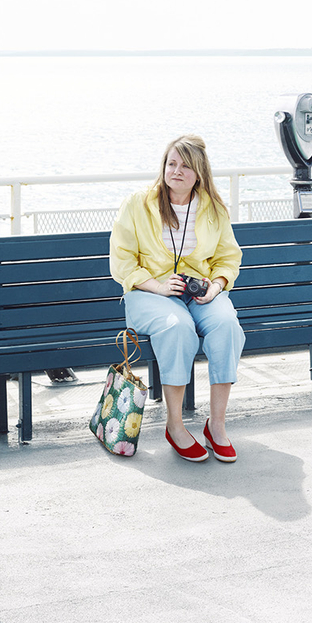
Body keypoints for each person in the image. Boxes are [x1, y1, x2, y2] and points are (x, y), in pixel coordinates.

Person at [109, 135, 245, 463]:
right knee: (178, 327)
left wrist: (216, 285)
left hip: (199, 292)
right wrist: (156, 285)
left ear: (199, 172)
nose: (177, 171)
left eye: (185, 165)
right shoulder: (137, 205)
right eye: (171, 163)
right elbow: (122, 260)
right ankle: (175, 426)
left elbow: (229, 256)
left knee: (227, 325)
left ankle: (217, 426)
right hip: (147, 294)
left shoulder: (213, 209)